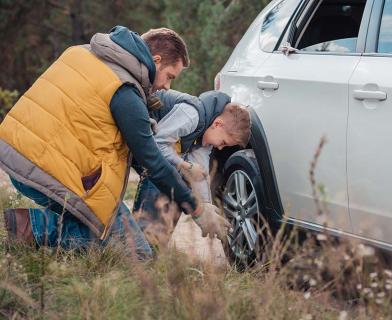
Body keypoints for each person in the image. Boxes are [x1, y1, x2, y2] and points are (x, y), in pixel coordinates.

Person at [0, 26, 229, 258]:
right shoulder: (125, 91)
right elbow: (155, 163)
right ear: (156, 61)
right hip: (48, 170)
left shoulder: (82, 52)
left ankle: (28, 230)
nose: (167, 86)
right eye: (170, 76)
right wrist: (198, 210)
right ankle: (23, 226)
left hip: (15, 152)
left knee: (100, 229)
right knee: (138, 254)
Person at [133, 89, 251, 237]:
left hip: (143, 149)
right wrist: (184, 165)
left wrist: (206, 206)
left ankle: (155, 243)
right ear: (218, 124)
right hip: (132, 135)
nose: (220, 147)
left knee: (179, 186)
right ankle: (143, 242)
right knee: (166, 179)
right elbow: (155, 145)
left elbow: (200, 175)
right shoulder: (192, 115)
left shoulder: (205, 138)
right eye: (223, 142)